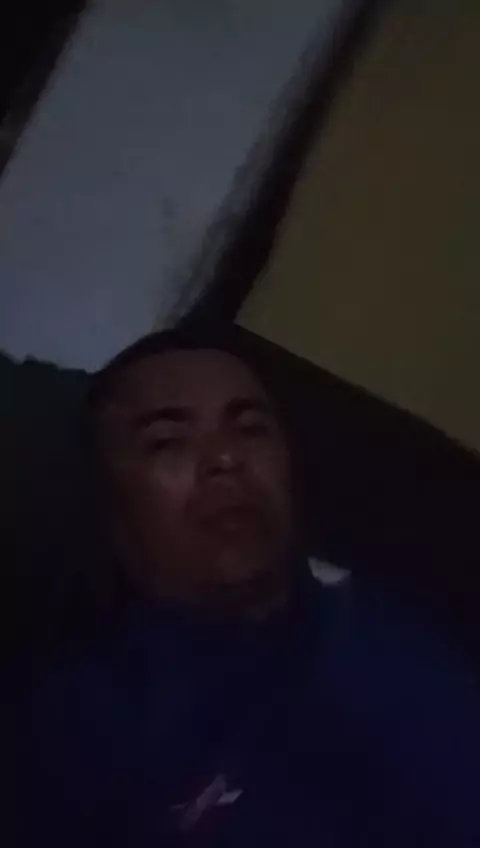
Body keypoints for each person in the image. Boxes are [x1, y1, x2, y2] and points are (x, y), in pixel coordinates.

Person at [6, 328, 480, 847]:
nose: (226, 459)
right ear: (110, 504)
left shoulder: (402, 614)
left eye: (250, 429)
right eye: (168, 442)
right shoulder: (77, 728)